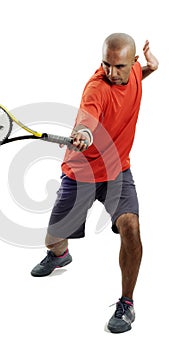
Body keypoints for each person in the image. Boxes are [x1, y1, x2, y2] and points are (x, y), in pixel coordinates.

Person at [31, 33, 159, 333]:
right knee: (53, 239)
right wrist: (84, 134)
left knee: (131, 228)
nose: (111, 72)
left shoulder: (137, 72)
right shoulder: (96, 88)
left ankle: (126, 304)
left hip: (118, 171)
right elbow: (87, 116)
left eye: (119, 66)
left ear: (133, 63)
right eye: (106, 64)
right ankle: (59, 255)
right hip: (82, 174)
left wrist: (152, 68)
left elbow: (140, 75)